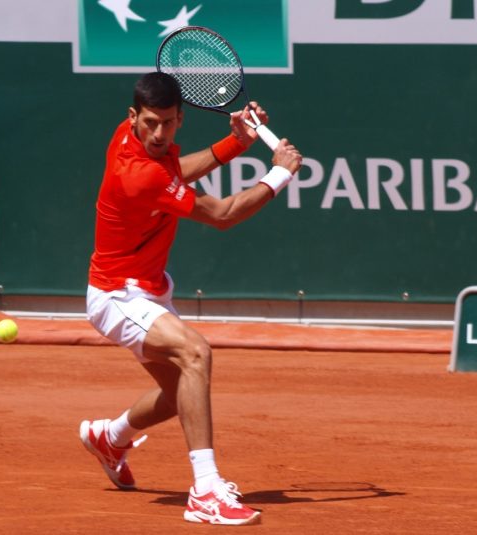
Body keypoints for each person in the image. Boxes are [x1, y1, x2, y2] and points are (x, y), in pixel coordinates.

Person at [79, 72, 302, 526]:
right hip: (117, 294)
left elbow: (176, 171)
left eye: (167, 122)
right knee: (196, 353)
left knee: (178, 392)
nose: (158, 133)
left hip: (150, 289)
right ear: (133, 117)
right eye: (149, 123)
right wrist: (279, 173)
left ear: (180, 118)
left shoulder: (136, 143)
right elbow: (222, 214)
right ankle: (206, 491)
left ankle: (110, 437)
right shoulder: (138, 174)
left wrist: (237, 142)